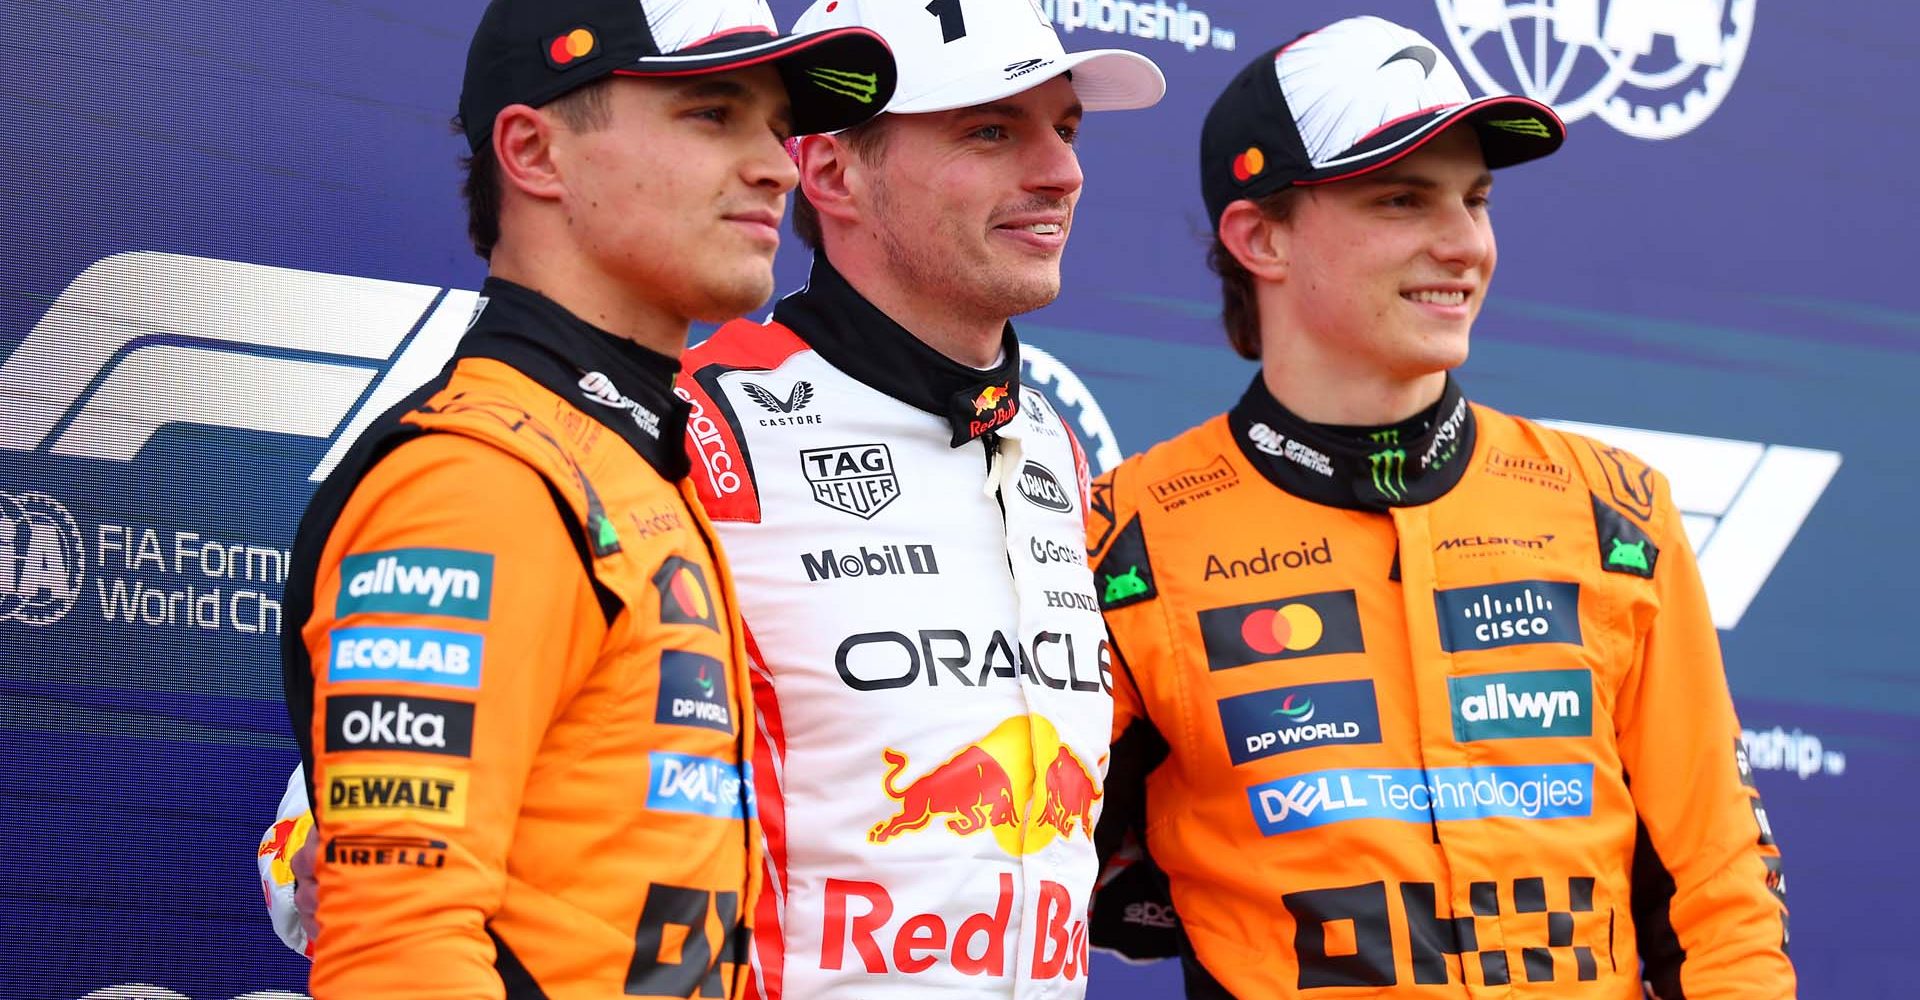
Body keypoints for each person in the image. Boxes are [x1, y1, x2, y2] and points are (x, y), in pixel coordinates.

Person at [1085, 15, 1794, 999]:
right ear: (1261, 236)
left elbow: (1718, 894)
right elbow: (1016, 884)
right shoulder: (1125, 535)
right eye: (1402, 199)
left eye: (1476, 199)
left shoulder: (1614, 511)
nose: (1465, 244)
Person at [263, 0, 894, 993]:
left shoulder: (621, 454)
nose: (777, 165)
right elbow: (402, 947)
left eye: (777, 125)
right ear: (535, 152)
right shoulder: (476, 480)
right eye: (712, 115)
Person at [671, 1, 1161, 996]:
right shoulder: (695, 433)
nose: (1061, 172)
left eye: (1063, 129)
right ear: (831, 170)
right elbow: (334, 859)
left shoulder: (1055, 457)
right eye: (990, 129)